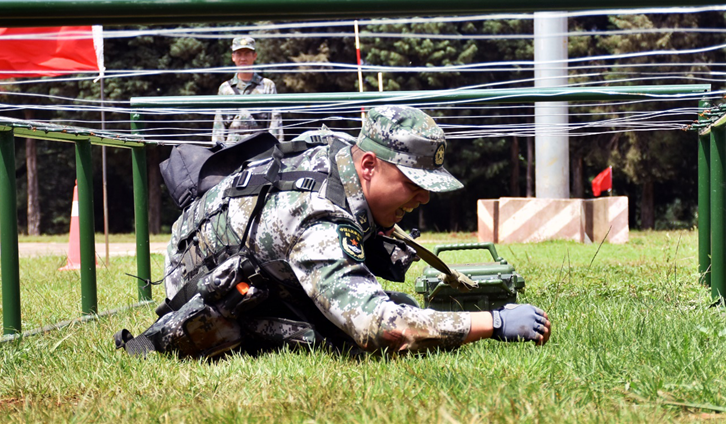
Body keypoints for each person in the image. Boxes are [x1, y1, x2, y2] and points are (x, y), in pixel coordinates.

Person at [116, 106, 550, 358]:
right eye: (414, 183)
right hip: (199, 279)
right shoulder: (319, 214)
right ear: (368, 166)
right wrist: (492, 323)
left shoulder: (343, 156)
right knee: (338, 337)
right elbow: (381, 327)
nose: (423, 198)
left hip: (233, 247)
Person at [211, 36, 283, 145]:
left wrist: (275, 149)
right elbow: (219, 124)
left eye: (247, 54)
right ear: (233, 57)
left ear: (254, 56)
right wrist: (217, 153)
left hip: (259, 146)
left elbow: (275, 122)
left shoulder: (267, 85)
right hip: (232, 147)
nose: (243, 58)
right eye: (239, 54)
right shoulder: (225, 88)